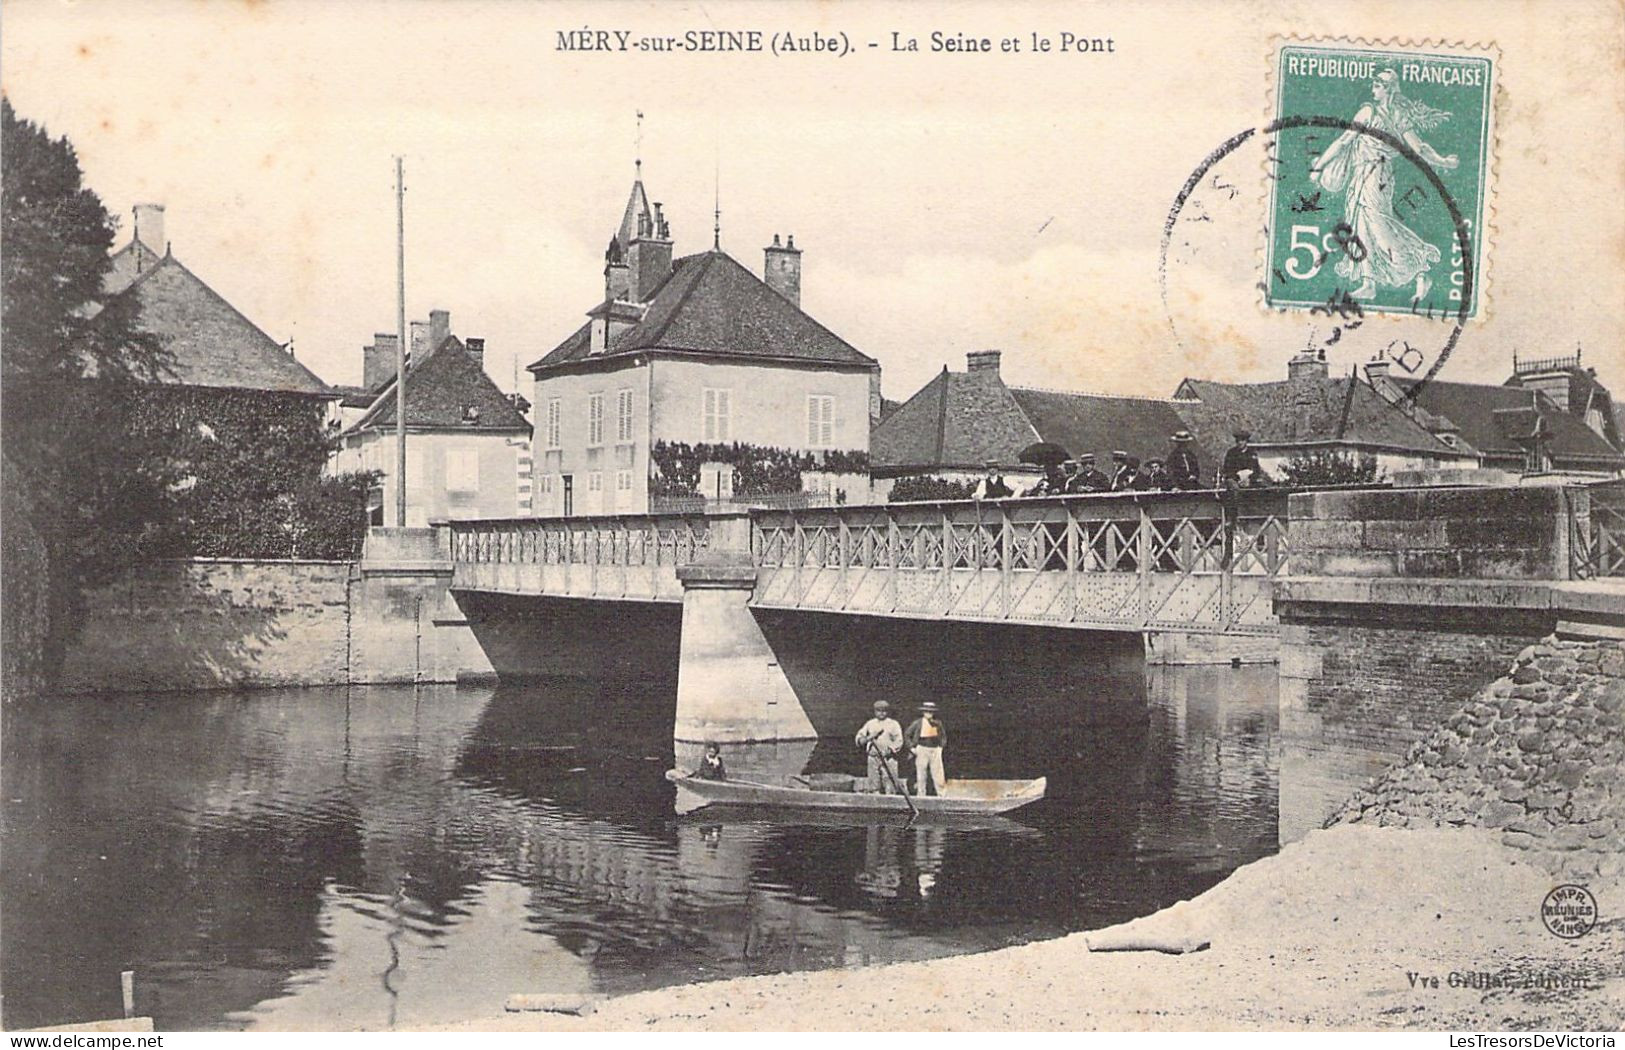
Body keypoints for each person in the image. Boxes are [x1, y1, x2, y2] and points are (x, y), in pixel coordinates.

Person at [1309, 67, 1459, 303]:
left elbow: (1417, 148)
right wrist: (1443, 161)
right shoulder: (1387, 114)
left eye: (1377, 84)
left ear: (1388, 89)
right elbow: (1345, 141)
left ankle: (1421, 270)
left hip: (1376, 175)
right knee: (1361, 226)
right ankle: (1369, 283)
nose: (1373, 88)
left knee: (1380, 226)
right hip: (1364, 174)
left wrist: (1444, 161)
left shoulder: (1378, 113)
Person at [855, 700, 904, 794]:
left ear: (888, 712)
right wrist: (870, 737)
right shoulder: (870, 724)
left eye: (884, 711)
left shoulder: (893, 724)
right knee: (874, 784)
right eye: (878, 710)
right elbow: (859, 739)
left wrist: (889, 750)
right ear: (874, 712)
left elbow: (899, 740)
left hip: (888, 758)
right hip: (873, 757)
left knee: (890, 783)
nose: (881, 713)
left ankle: (890, 802)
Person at [904, 702, 948, 797]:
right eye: (927, 711)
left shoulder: (938, 723)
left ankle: (941, 795)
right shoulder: (918, 723)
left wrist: (941, 747)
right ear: (923, 712)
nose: (929, 713)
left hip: (935, 749)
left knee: (938, 773)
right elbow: (907, 734)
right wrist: (912, 747)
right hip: (922, 749)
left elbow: (943, 736)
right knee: (921, 773)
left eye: (931, 712)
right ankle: (921, 794)